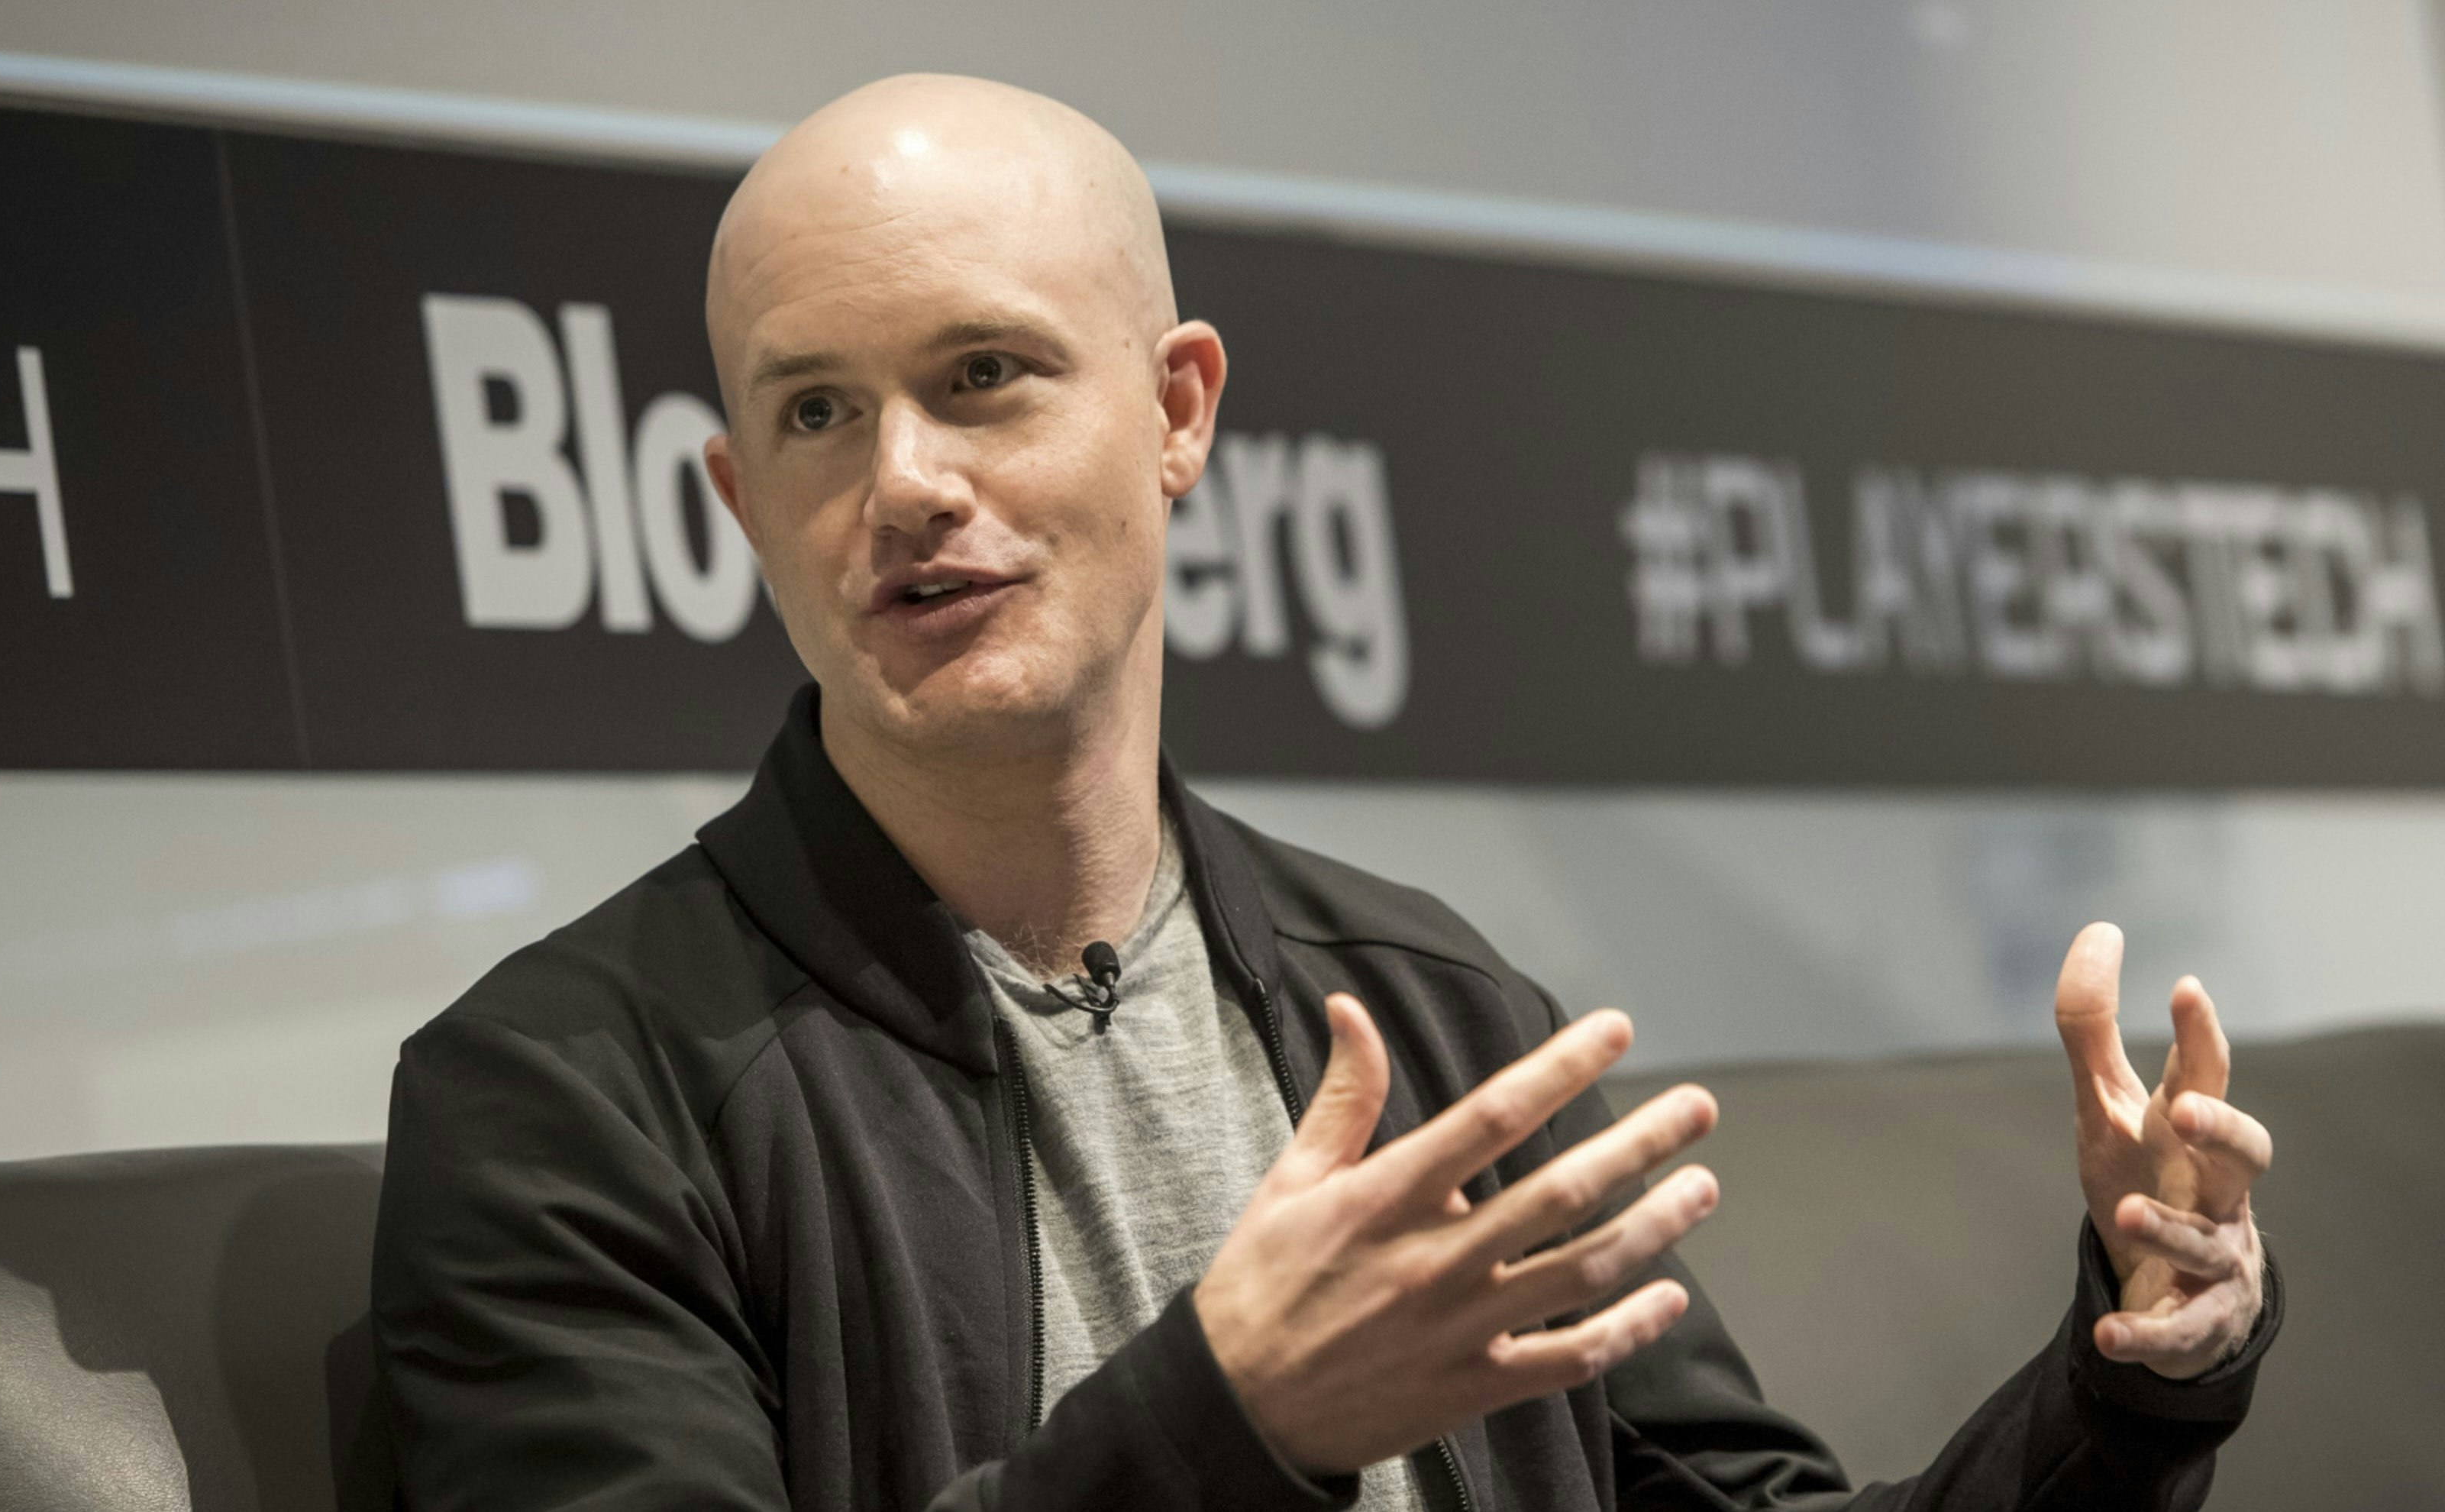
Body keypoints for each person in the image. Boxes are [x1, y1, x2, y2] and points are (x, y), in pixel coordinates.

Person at [369, 73, 2281, 1512]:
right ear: (734, 508)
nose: (904, 482)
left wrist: (2132, 1366)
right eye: (812, 413)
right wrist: (1232, 1420)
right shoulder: (558, 1095)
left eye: (983, 375)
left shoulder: (1433, 1008)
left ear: (1179, 409)